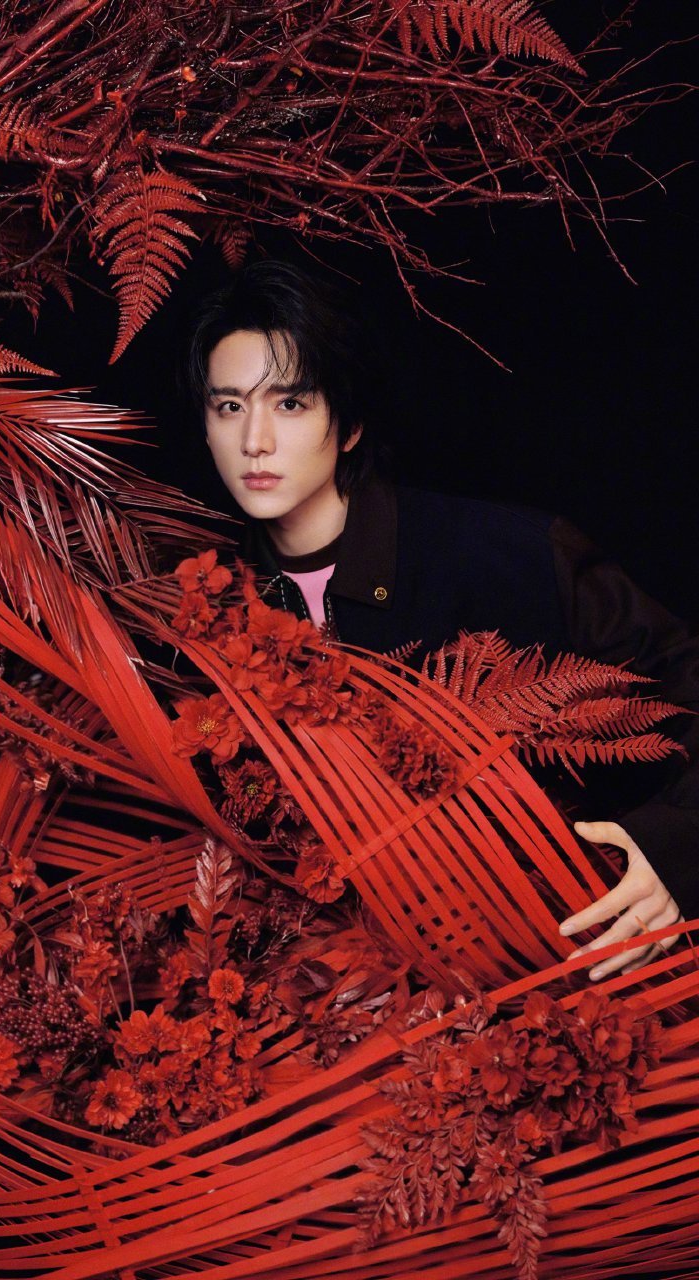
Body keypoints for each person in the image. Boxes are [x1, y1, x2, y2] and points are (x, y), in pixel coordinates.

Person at [182, 259, 699, 981]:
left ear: (348, 424)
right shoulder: (199, 615)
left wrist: (677, 848)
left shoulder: (512, 559)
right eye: (230, 407)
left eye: (290, 403)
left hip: (554, 976)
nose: (254, 441)